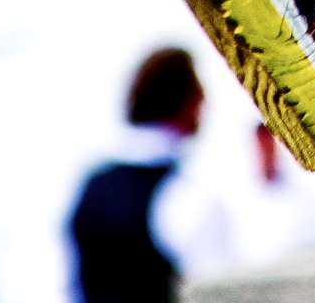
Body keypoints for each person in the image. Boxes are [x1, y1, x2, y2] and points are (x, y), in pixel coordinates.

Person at [65, 47, 235, 303]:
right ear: (186, 102)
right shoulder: (184, 199)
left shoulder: (91, 187)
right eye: (199, 92)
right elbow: (222, 294)